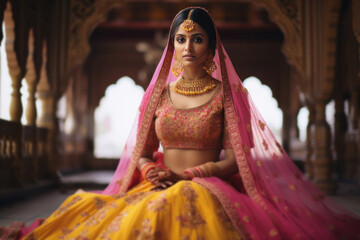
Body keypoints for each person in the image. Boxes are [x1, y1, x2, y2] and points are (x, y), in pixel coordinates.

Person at [17, 7, 360, 240]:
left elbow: (235, 158)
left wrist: (189, 175)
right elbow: (143, 150)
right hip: (159, 181)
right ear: (172, 45)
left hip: (207, 184)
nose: (187, 46)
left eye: (197, 38)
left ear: (211, 45)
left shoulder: (228, 94)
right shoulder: (159, 96)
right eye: (181, 39)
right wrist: (150, 170)